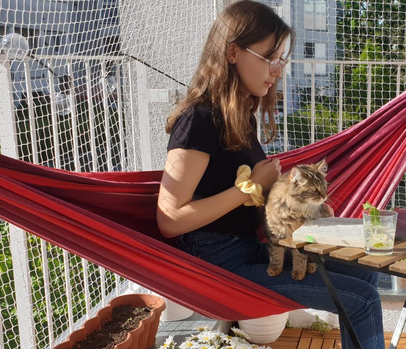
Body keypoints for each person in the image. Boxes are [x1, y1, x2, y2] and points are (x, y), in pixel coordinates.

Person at [155, 2, 385, 348]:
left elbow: (250, 198)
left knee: (365, 274)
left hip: (249, 250)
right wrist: (249, 188)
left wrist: (311, 212)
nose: (277, 70)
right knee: (362, 298)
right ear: (233, 52)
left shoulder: (239, 117)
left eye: (281, 59)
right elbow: (170, 219)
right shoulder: (199, 120)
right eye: (270, 57)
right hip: (217, 268)